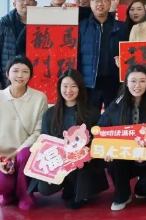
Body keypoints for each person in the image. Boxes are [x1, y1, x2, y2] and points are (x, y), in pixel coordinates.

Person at [0, 56, 48, 210]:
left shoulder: (39, 98)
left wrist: (17, 152)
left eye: (25, 71)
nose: (20, 75)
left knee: (24, 154)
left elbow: (38, 132)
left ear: (30, 75)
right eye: (15, 71)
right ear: (7, 74)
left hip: (27, 154)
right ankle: (8, 191)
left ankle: (24, 193)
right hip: (3, 158)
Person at [31, 70, 108, 208]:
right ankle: (69, 186)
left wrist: (84, 152)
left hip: (84, 165)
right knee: (44, 188)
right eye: (65, 86)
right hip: (59, 162)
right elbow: (44, 141)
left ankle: (82, 193)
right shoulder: (50, 114)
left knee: (81, 162)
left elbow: (99, 141)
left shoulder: (92, 113)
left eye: (73, 86)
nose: (68, 90)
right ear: (59, 87)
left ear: (80, 88)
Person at [100, 65, 146, 211]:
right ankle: (122, 194)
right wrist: (106, 149)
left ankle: (141, 188)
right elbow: (101, 129)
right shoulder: (115, 105)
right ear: (126, 83)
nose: (137, 85)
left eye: (142, 81)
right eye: (133, 81)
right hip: (123, 159)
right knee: (113, 161)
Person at [78, 0, 129, 111]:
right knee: (90, 116)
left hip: (114, 81)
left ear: (110, 4)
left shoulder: (122, 27)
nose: (100, 4)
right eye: (96, 0)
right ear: (90, 3)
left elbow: (129, 53)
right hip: (89, 82)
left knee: (115, 115)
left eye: (104, 0)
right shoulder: (82, 26)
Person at [0, 0, 37, 93]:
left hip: (36, 74)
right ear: (14, 4)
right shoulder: (3, 24)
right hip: (10, 75)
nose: (26, 2)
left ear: (35, 3)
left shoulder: (43, 23)